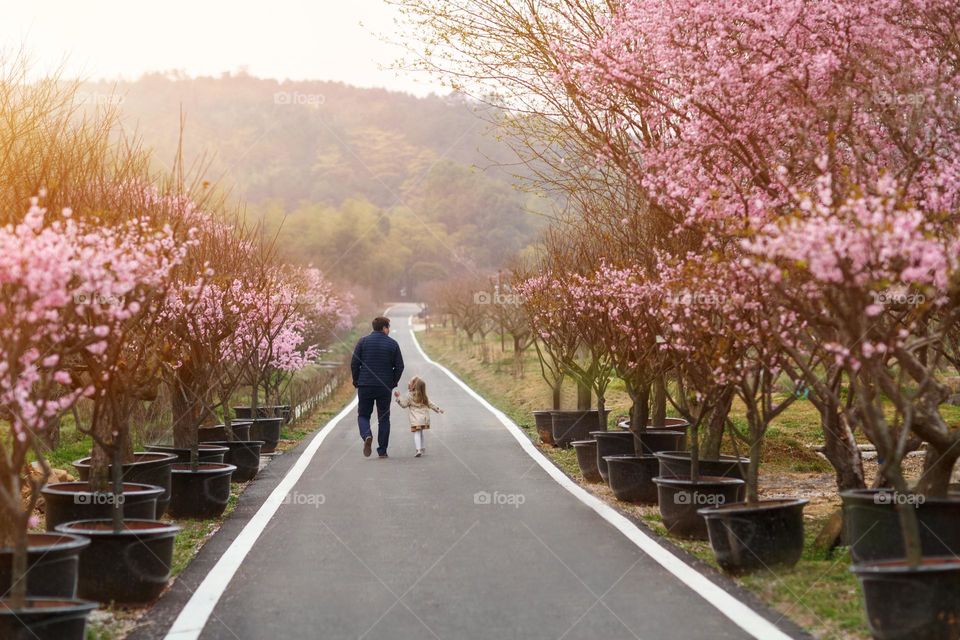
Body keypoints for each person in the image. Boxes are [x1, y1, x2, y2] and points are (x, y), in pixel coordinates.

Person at [351, 316, 404, 458]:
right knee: (384, 418)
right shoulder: (393, 344)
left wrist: (356, 380)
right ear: (385, 328)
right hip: (384, 386)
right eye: (389, 328)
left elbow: (354, 363)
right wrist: (392, 382)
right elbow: (400, 366)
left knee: (363, 415)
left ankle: (367, 435)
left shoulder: (363, 342)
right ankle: (382, 451)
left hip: (365, 384)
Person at [394, 376, 443, 457]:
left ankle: (418, 450)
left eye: (410, 382)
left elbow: (404, 405)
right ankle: (422, 447)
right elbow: (430, 404)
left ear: (413, 386)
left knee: (416, 433)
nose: (408, 383)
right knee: (420, 432)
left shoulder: (410, 396)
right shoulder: (423, 396)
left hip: (415, 419)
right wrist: (438, 409)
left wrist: (398, 397)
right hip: (424, 419)